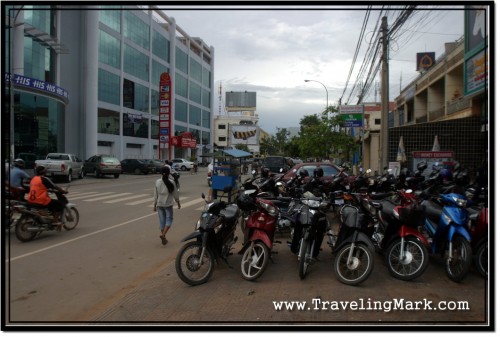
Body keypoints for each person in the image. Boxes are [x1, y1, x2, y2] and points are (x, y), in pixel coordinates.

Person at [153, 166, 181, 245]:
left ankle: (164, 238)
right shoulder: (172, 182)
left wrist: (154, 205)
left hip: (159, 203)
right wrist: (178, 203)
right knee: (169, 220)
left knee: (162, 221)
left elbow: (155, 194)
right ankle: (163, 235)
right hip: (168, 204)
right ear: (169, 173)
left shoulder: (157, 182)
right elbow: (175, 194)